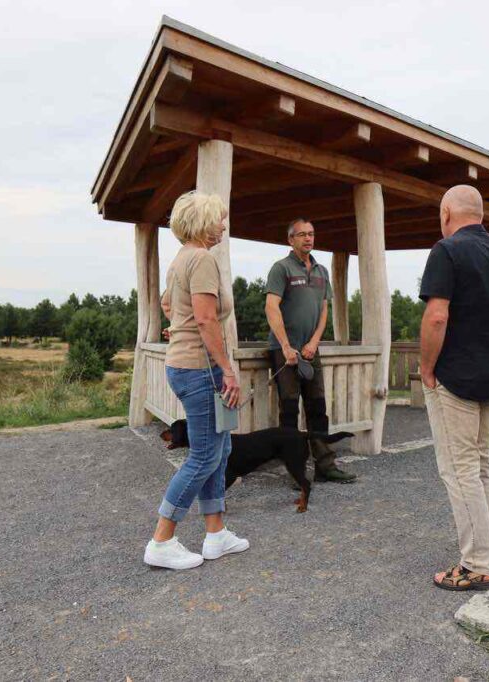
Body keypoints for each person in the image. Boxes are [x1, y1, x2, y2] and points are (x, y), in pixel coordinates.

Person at [143, 191, 249, 570]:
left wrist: (178, 328)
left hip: (184, 365)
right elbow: (205, 319)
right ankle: (162, 540)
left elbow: (169, 304)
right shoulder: (202, 259)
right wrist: (228, 369)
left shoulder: (181, 260)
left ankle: (216, 534)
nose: (223, 225)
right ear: (204, 221)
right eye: (220, 219)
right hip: (200, 369)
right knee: (205, 455)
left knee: (219, 452)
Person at [419, 185, 489, 591]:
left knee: (459, 469)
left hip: (456, 374)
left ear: (446, 212)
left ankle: (477, 561)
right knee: (482, 464)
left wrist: (427, 367)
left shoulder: (447, 251)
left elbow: (437, 316)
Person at [264, 219, 356, 483]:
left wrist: (315, 342)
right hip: (285, 351)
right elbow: (271, 307)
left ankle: (325, 467)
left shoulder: (321, 271)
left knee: (318, 408)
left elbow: (324, 308)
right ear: (290, 240)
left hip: (310, 350)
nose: (308, 238)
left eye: (311, 234)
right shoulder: (280, 269)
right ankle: (296, 471)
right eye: (302, 234)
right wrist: (285, 345)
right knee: (290, 411)